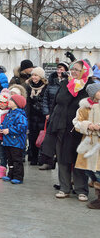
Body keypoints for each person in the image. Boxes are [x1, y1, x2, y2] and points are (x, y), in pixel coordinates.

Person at [49, 60, 93, 201]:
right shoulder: (65, 84)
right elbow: (56, 102)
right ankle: (64, 188)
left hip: (80, 129)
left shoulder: (89, 86)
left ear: (84, 71)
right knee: (62, 157)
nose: (73, 72)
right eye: (72, 69)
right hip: (62, 126)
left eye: (77, 70)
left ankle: (81, 189)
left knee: (79, 158)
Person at [72, 82, 100, 209]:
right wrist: (88, 126)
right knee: (89, 170)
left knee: (98, 170)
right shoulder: (84, 108)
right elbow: (77, 122)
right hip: (88, 142)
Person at [39, 62, 69, 170]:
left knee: (61, 141)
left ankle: (61, 164)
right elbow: (45, 99)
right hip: (52, 114)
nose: (59, 71)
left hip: (63, 115)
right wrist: (47, 113)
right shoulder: (51, 82)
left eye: (61, 69)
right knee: (48, 140)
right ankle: (48, 162)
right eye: (58, 69)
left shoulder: (69, 83)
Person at [0, 94, 28, 184]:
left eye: (11, 100)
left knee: (16, 159)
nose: (8, 101)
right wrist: (0, 128)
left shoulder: (20, 115)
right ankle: (10, 174)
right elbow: (4, 123)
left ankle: (18, 176)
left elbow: (22, 127)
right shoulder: (9, 113)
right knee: (9, 159)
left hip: (16, 142)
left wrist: (10, 130)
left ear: (16, 103)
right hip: (8, 141)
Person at [25, 67, 48, 165]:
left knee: (42, 138)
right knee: (32, 137)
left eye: (36, 75)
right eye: (33, 75)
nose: (33, 77)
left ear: (41, 77)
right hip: (31, 116)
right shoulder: (28, 86)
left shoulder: (46, 86)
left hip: (42, 117)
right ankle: (33, 157)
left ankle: (41, 158)